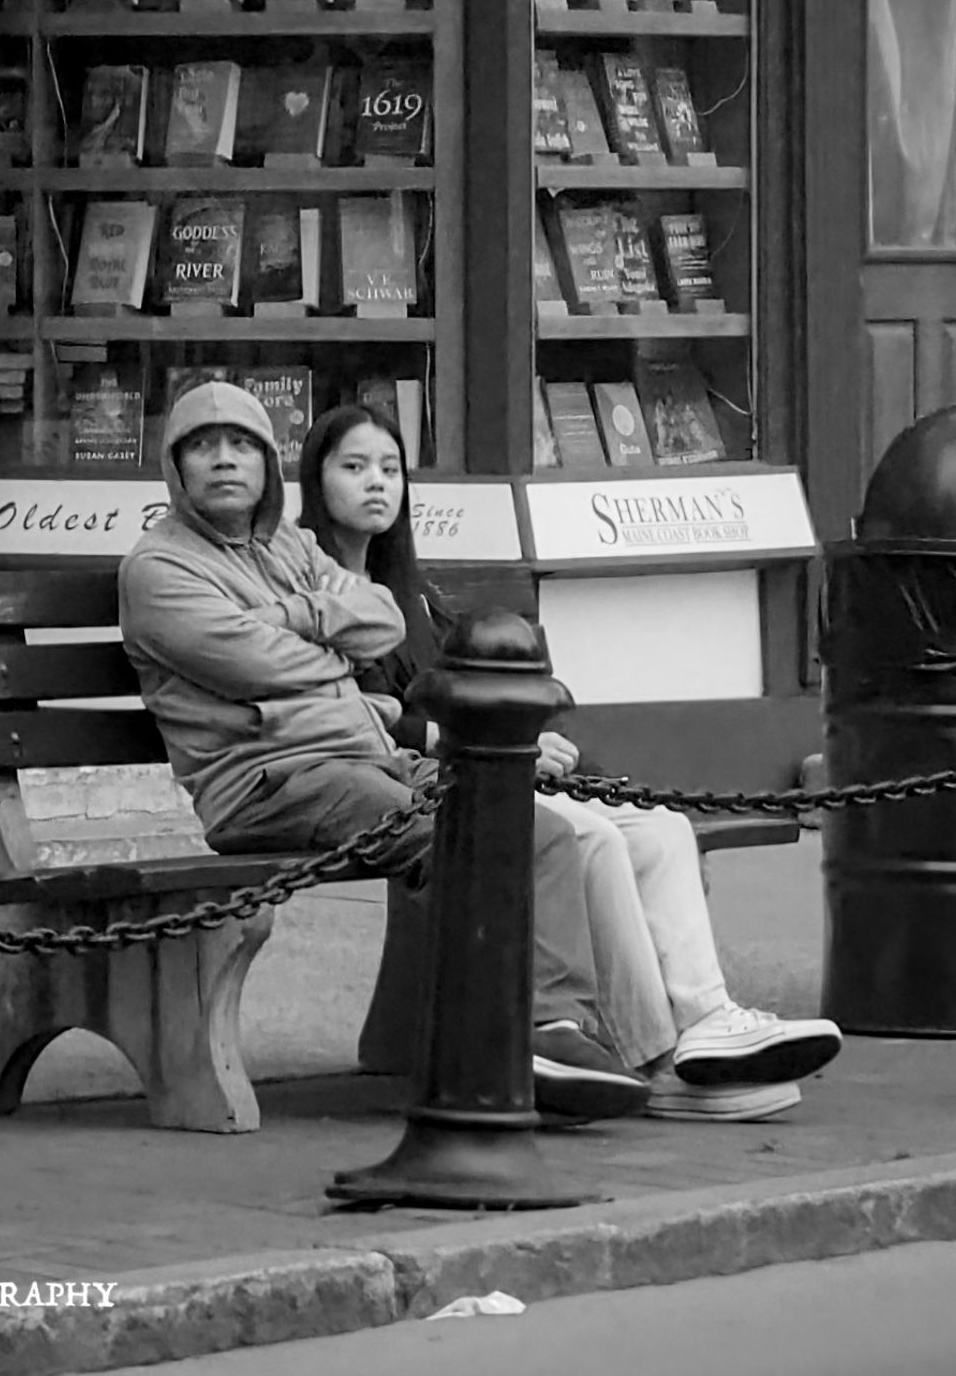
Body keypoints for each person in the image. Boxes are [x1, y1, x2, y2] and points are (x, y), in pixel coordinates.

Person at [118, 379, 649, 1122]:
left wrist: (287, 617)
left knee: (538, 829)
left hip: (366, 760)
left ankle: (556, 1026)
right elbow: (256, 664)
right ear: (176, 467)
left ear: (268, 464)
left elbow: (381, 619)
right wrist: (325, 651)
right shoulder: (158, 569)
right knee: (448, 834)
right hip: (269, 783)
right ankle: (492, 1040)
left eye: (241, 444)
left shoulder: (291, 547)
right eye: (203, 447)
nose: (224, 460)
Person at [297, 401, 844, 1121]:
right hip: (420, 787)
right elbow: (362, 715)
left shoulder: (415, 593)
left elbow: (469, 693)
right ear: (316, 479)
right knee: (593, 840)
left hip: (484, 772)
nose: (376, 483)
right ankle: (651, 1060)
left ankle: (706, 1021)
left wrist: (528, 739)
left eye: (391, 469)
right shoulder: (313, 586)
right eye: (354, 467)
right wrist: (479, 743)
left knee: (660, 829)